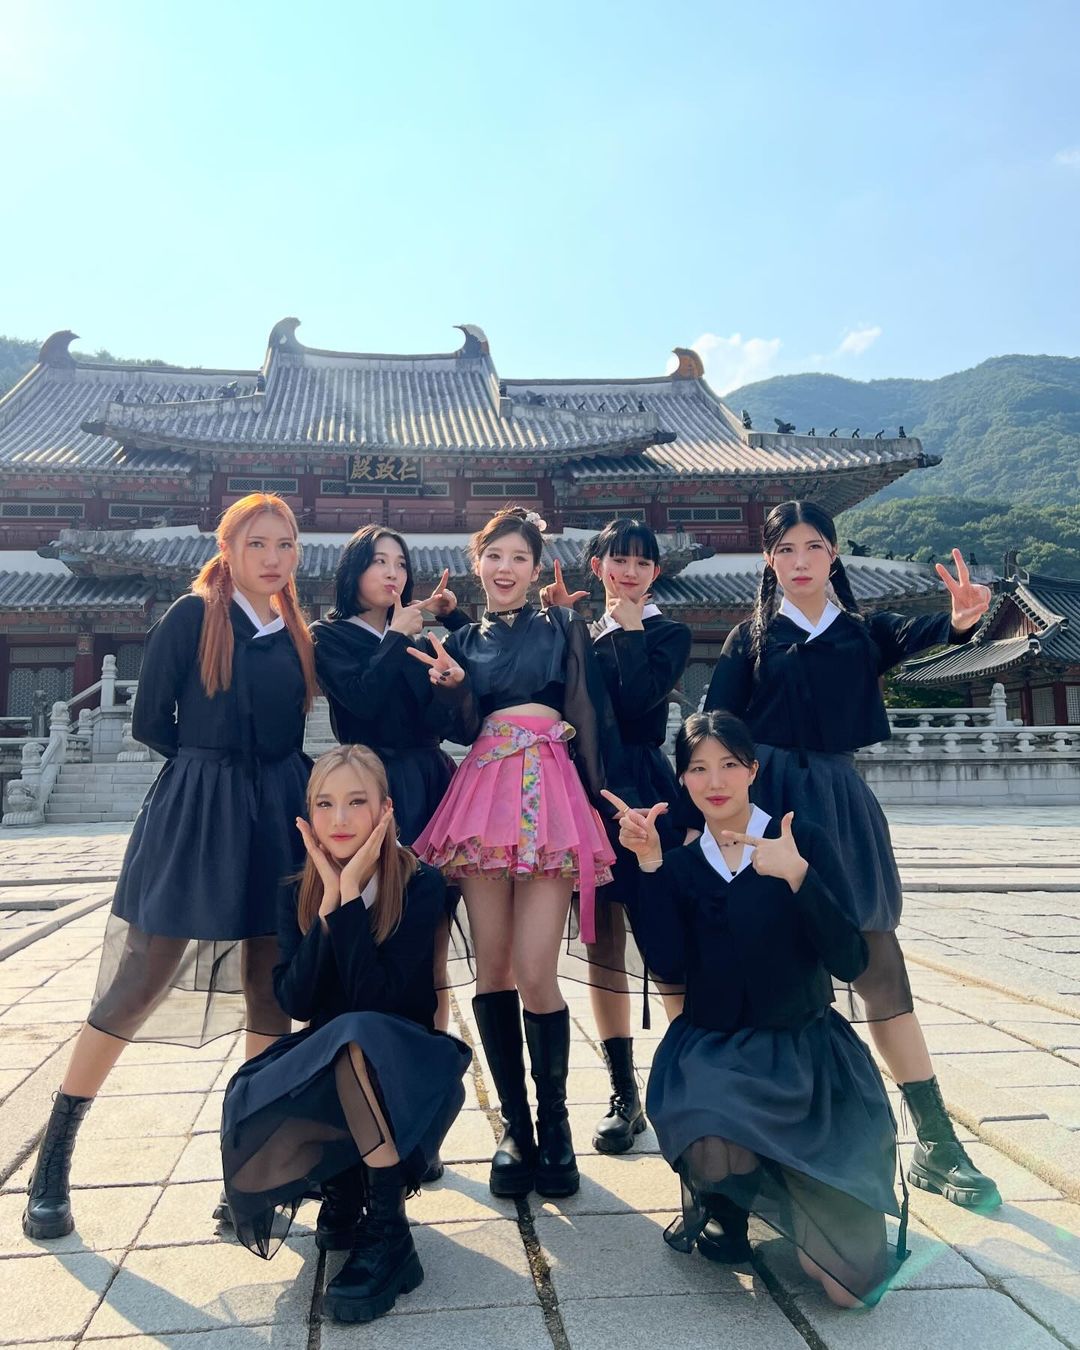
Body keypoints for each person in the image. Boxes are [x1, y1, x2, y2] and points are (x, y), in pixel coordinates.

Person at [23, 494, 318, 1241]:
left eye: (285, 544)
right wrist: (208, 774)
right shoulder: (193, 617)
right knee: (142, 978)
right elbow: (152, 720)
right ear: (229, 548)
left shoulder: (294, 628)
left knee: (270, 987)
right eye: (258, 543)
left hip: (279, 814)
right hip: (200, 810)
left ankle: (249, 1171)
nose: (274, 557)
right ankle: (53, 1156)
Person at [697, 499, 999, 1208]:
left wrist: (963, 617)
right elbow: (714, 728)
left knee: (878, 963)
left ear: (833, 555)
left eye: (814, 547)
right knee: (769, 973)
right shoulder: (751, 639)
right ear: (769, 560)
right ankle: (768, 1142)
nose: (800, 561)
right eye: (786, 549)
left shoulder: (865, 632)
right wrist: (705, 822)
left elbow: (935, 630)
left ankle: (936, 1141)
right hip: (765, 812)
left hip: (840, 809)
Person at [611, 710, 906, 1308]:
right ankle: (728, 1207)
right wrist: (648, 865)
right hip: (716, 1053)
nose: (714, 781)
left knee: (849, 1292)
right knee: (713, 1130)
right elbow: (667, 961)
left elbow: (851, 959)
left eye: (729, 764)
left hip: (806, 1059)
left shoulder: (801, 842)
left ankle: (800, 1206)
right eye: (698, 769)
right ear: (682, 779)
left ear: (753, 769)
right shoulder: (684, 863)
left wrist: (798, 878)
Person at [221, 745, 471, 1325]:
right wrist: (329, 906)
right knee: (280, 1069)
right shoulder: (295, 890)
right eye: (325, 804)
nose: (339, 819)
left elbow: (380, 1003)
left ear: (385, 810)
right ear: (308, 814)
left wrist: (352, 901)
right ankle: (344, 1186)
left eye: (357, 802)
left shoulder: (421, 884)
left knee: (356, 1031)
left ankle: (389, 1231)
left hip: (406, 1071)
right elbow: (297, 1002)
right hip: (338, 1066)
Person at [409, 506, 616, 1200]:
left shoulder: (562, 626)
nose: (505, 568)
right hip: (486, 790)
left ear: (534, 568)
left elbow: (585, 710)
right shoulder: (462, 640)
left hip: (551, 791)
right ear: (477, 563)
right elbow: (464, 727)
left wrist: (599, 799)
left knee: (535, 970)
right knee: (492, 969)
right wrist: (454, 689)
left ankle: (556, 1126)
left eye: (518, 557)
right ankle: (515, 1129)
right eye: (494, 555)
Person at [541, 519, 691, 1153]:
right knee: (602, 940)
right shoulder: (580, 630)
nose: (629, 572)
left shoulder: (668, 633)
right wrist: (557, 624)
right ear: (596, 565)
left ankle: (691, 1079)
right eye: (617, 560)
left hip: (646, 789)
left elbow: (638, 704)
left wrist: (629, 633)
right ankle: (624, 1092)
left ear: (656, 572)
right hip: (585, 791)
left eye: (642, 562)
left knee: (666, 932)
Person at [309, 526, 470, 1044]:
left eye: (400, 564)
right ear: (354, 569)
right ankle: (358, 1051)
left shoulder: (418, 641)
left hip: (428, 784)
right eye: (379, 561)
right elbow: (361, 700)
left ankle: (429, 1057)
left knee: (429, 932)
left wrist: (450, 688)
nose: (392, 573)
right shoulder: (328, 636)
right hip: (366, 786)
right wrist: (396, 637)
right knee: (363, 917)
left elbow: (445, 727)